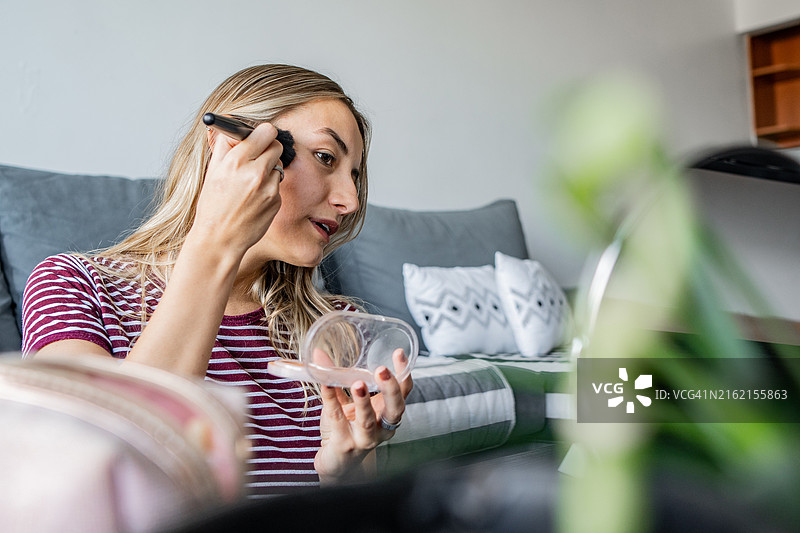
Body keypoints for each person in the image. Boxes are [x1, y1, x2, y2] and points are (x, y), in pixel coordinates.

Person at [21, 64, 412, 497]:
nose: (350, 200)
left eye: (354, 175)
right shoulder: (73, 286)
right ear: (231, 148)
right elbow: (92, 478)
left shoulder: (339, 328)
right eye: (325, 158)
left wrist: (345, 473)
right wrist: (216, 242)